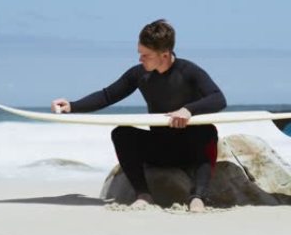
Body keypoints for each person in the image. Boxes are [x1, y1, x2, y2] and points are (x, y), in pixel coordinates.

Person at [52, 19, 226, 212]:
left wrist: (188, 110)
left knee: (208, 131)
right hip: (159, 149)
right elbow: (108, 95)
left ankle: (198, 198)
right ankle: (143, 195)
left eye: (146, 55)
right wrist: (72, 106)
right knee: (121, 134)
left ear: (165, 55)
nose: (140, 59)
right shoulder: (140, 74)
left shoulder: (188, 71)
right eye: (140, 54)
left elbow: (218, 99)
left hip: (190, 152)